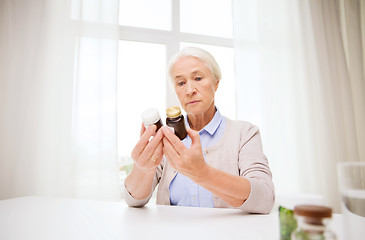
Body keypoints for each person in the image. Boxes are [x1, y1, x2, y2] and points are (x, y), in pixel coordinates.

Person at [123, 47, 275, 214]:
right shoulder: (168, 137)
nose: (189, 90)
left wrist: (203, 174)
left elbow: (265, 198)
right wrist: (143, 168)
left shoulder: (244, 133)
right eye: (181, 83)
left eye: (198, 78)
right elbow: (133, 199)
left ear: (216, 82)